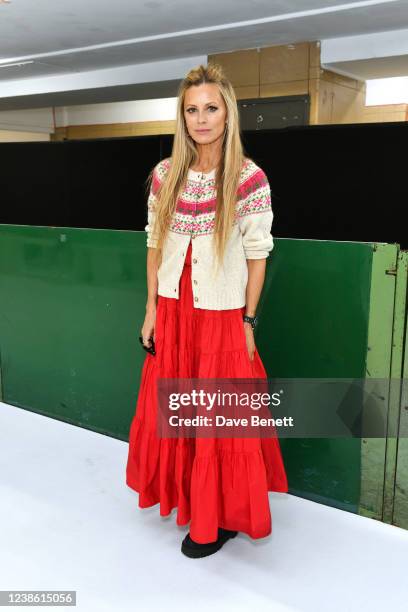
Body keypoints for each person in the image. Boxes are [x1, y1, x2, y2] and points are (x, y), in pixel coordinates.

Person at [126, 62, 288, 559]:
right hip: (175, 314)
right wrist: (152, 308)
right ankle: (191, 501)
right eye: (191, 110)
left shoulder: (247, 177)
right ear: (182, 117)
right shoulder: (164, 175)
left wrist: (248, 322)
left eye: (210, 108)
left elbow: (259, 256)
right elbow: (155, 245)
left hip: (221, 317)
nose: (201, 118)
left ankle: (221, 518)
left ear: (228, 113)